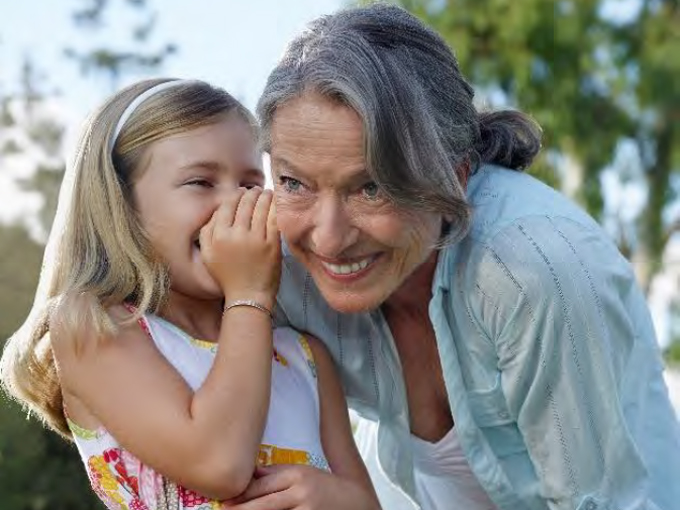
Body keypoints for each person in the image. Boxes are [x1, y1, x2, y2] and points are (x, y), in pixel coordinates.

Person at [256, 4, 680, 510]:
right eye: (294, 182)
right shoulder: (275, 261)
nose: (326, 239)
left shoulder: (533, 272)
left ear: (453, 177)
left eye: (371, 188)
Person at [0, 78, 379, 510]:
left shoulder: (305, 358)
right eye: (201, 182)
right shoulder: (94, 324)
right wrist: (249, 293)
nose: (234, 203)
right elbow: (219, 463)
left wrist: (337, 500)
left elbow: (366, 501)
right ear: (122, 206)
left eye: (252, 184)